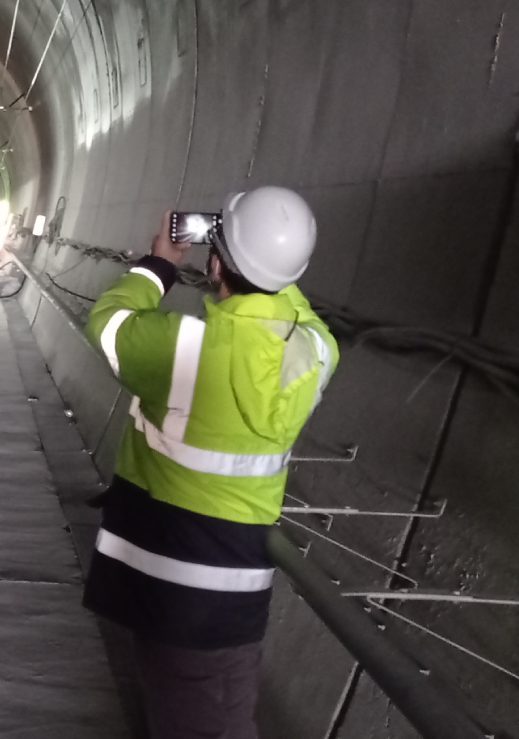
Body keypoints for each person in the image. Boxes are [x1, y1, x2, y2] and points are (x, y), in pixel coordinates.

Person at [83, 187, 338, 739]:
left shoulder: (182, 348)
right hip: (232, 586)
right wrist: (265, 265)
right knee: (208, 711)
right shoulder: (316, 353)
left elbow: (108, 321)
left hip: (162, 579)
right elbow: (292, 310)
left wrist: (159, 264)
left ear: (215, 260)